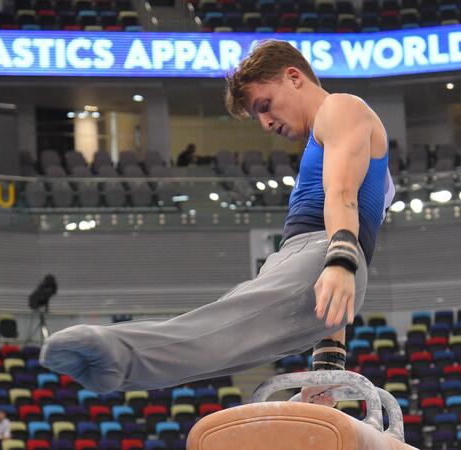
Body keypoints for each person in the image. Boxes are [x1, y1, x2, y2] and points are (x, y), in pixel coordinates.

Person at [39, 40, 394, 405]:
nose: (266, 122)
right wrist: (329, 368)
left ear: (294, 77)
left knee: (216, 331)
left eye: (264, 106)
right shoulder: (334, 143)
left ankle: (113, 353)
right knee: (223, 345)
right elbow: (334, 289)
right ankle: (118, 367)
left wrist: (338, 263)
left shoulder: (342, 107)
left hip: (319, 255)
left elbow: (341, 196)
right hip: (316, 260)